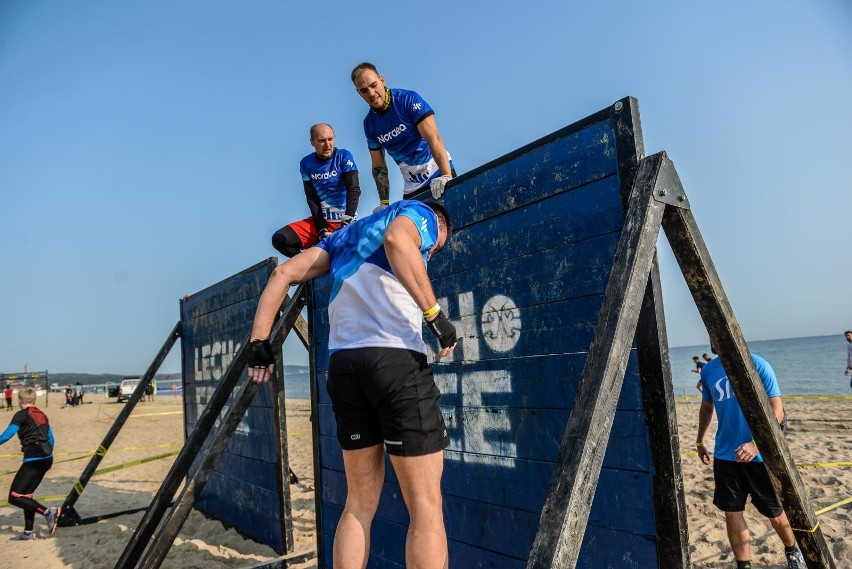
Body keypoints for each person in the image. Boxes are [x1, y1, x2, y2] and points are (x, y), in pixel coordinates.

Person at [246, 199, 457, 569]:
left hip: (344, 365)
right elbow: (396, 239)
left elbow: (282, 275)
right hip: (394, 358)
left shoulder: (341, 238)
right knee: (426, 507)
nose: (432, 253)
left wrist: (259, 344)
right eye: (435, 248)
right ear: (438, 224)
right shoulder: (420, 214)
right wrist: (436, 317)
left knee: (358, 504)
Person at [696, 349, 805, 569]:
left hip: (759, 456)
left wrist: (756, 444)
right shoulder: (709, 370)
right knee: (732, 512)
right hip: (726, 455)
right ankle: (743, 565)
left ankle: (793, 551)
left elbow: (778, 411)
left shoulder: (758, 363)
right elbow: (707, 406)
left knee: (774, 512)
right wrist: (700, 441)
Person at [351, 62, 456, 210]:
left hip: (437, 172)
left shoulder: (407, 99)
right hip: (412, 188)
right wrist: (384, 203)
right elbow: (379, 166)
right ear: (359, 93)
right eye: (364, 91)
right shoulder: (369, 124)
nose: (371, 93)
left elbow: (434, 138)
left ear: (382, 80)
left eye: (374, 85)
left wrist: (446, 175)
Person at [271, 123, 361, 258]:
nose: (327, 144)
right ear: (312, 142)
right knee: (280, 239)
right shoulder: (306, 163)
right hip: (321, 222)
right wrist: (321, 229)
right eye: (322, 140)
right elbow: (311, 198)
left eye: (330, 139)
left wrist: (346, 223)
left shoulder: (343, 156)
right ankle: (307, 269)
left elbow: (353, 189)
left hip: (346, 221)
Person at [0, 388, 61, 539]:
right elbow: (51, 438)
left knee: (14, 496)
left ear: (20, 401)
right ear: (34, 401)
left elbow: (7, 434)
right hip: (47, 459)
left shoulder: (21, 415)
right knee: (26, 495)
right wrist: (47, 452)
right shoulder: (41, 414)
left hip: (34, 460)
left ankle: (48, 512)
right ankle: (28, 532)